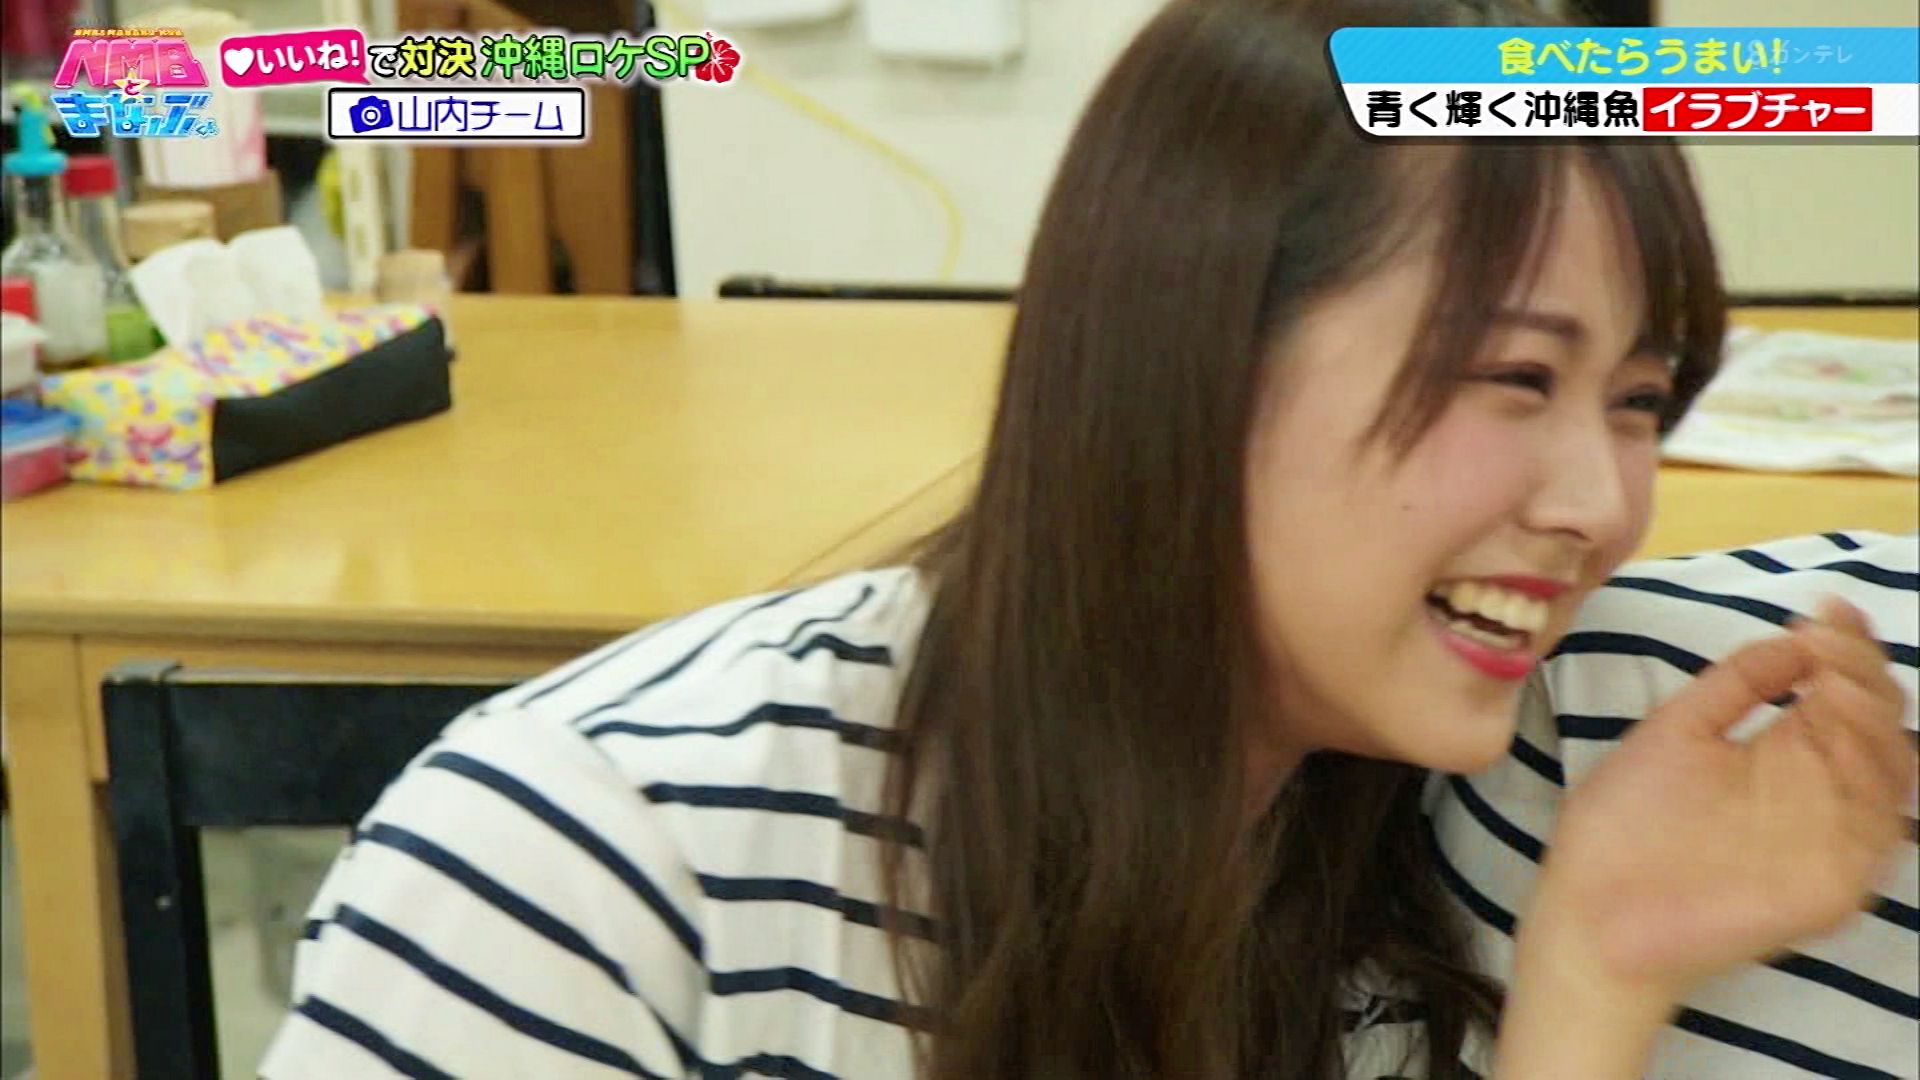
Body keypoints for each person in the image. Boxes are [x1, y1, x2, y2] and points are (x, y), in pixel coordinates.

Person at [259, 0, 1918, 1076]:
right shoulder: (590, 857)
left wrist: (1592, 989)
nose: (1604, 504)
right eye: (1514, 377)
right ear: (1187, 355)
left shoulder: (1551, 785)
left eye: (1639, 401)